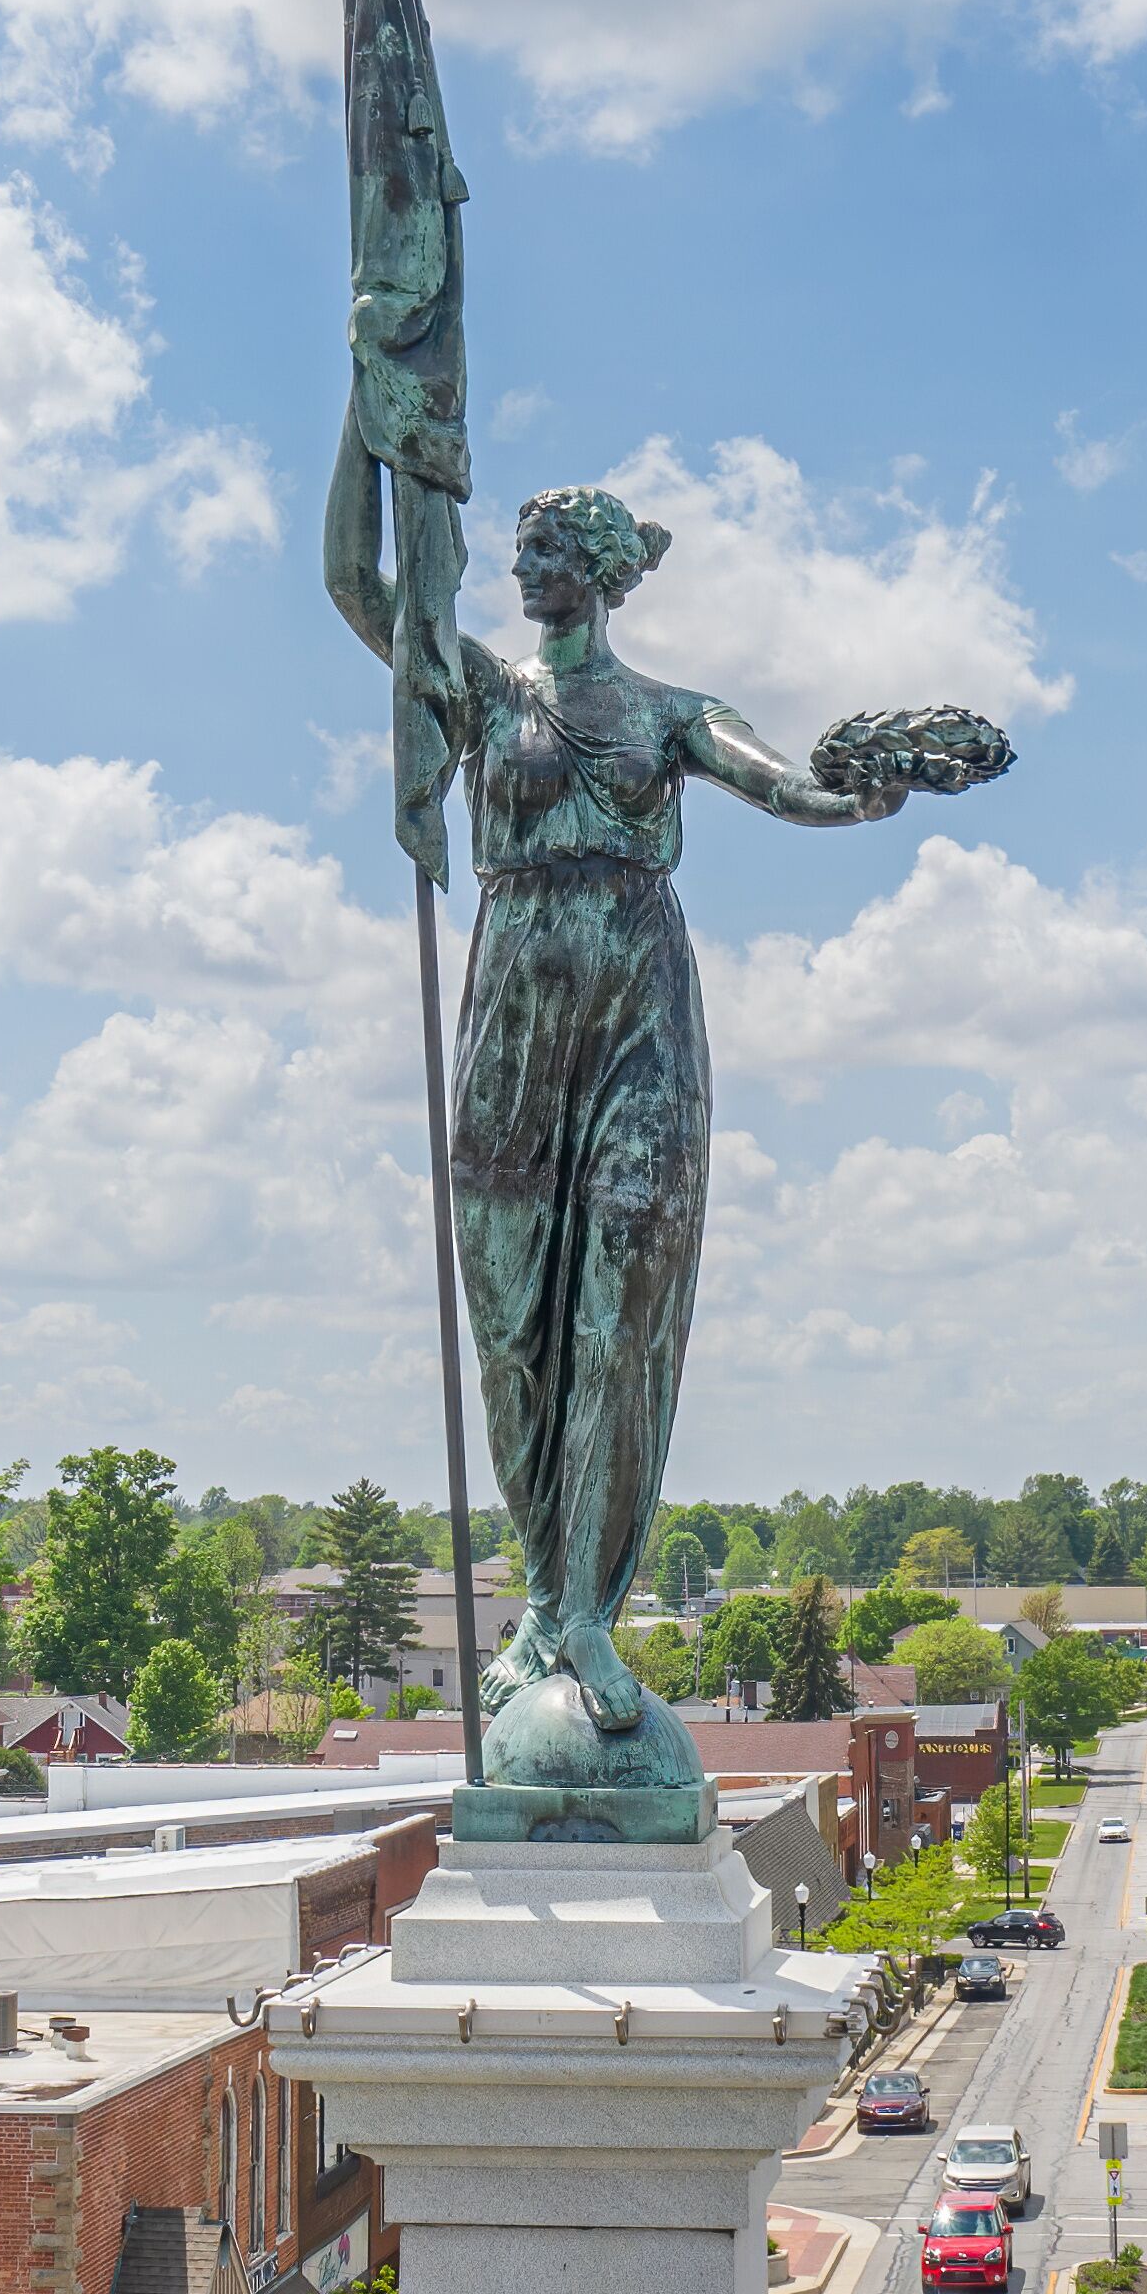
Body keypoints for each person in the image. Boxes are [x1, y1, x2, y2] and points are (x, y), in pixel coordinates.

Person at [326, 445, 905, 1730]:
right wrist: (369, 422)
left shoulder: (669, 712)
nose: (517, 565)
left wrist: (865, 794)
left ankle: (586, 1611)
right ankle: (545, 1594)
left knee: (614, 1311)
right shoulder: (482, 689)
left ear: (595, 573)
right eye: (517, 548)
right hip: (517, 1002)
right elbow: (356, 584)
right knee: (511, 1325)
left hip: (638, 999)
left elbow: (785, 784)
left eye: (540, 549)